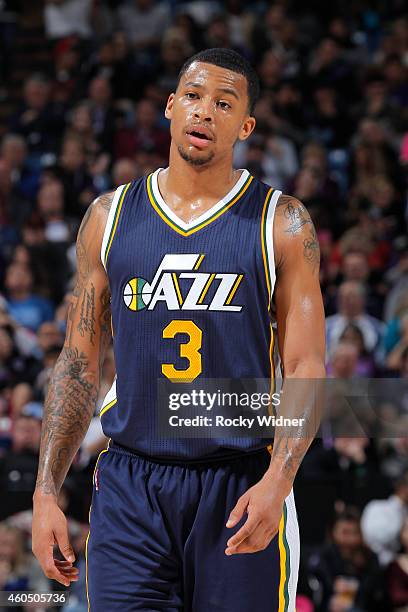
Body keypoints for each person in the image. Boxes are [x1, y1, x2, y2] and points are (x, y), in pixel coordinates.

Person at [32, 48, 326, 611]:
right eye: (193, 96)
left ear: (245, 125)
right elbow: (77, 362)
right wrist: (47, 489)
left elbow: (307, 366)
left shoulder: (281, 222)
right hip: (131, 482)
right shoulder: (108, 218)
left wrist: (280, 480)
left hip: (239, 480)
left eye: (223, 103)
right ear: (170, 106)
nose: (204, 112)